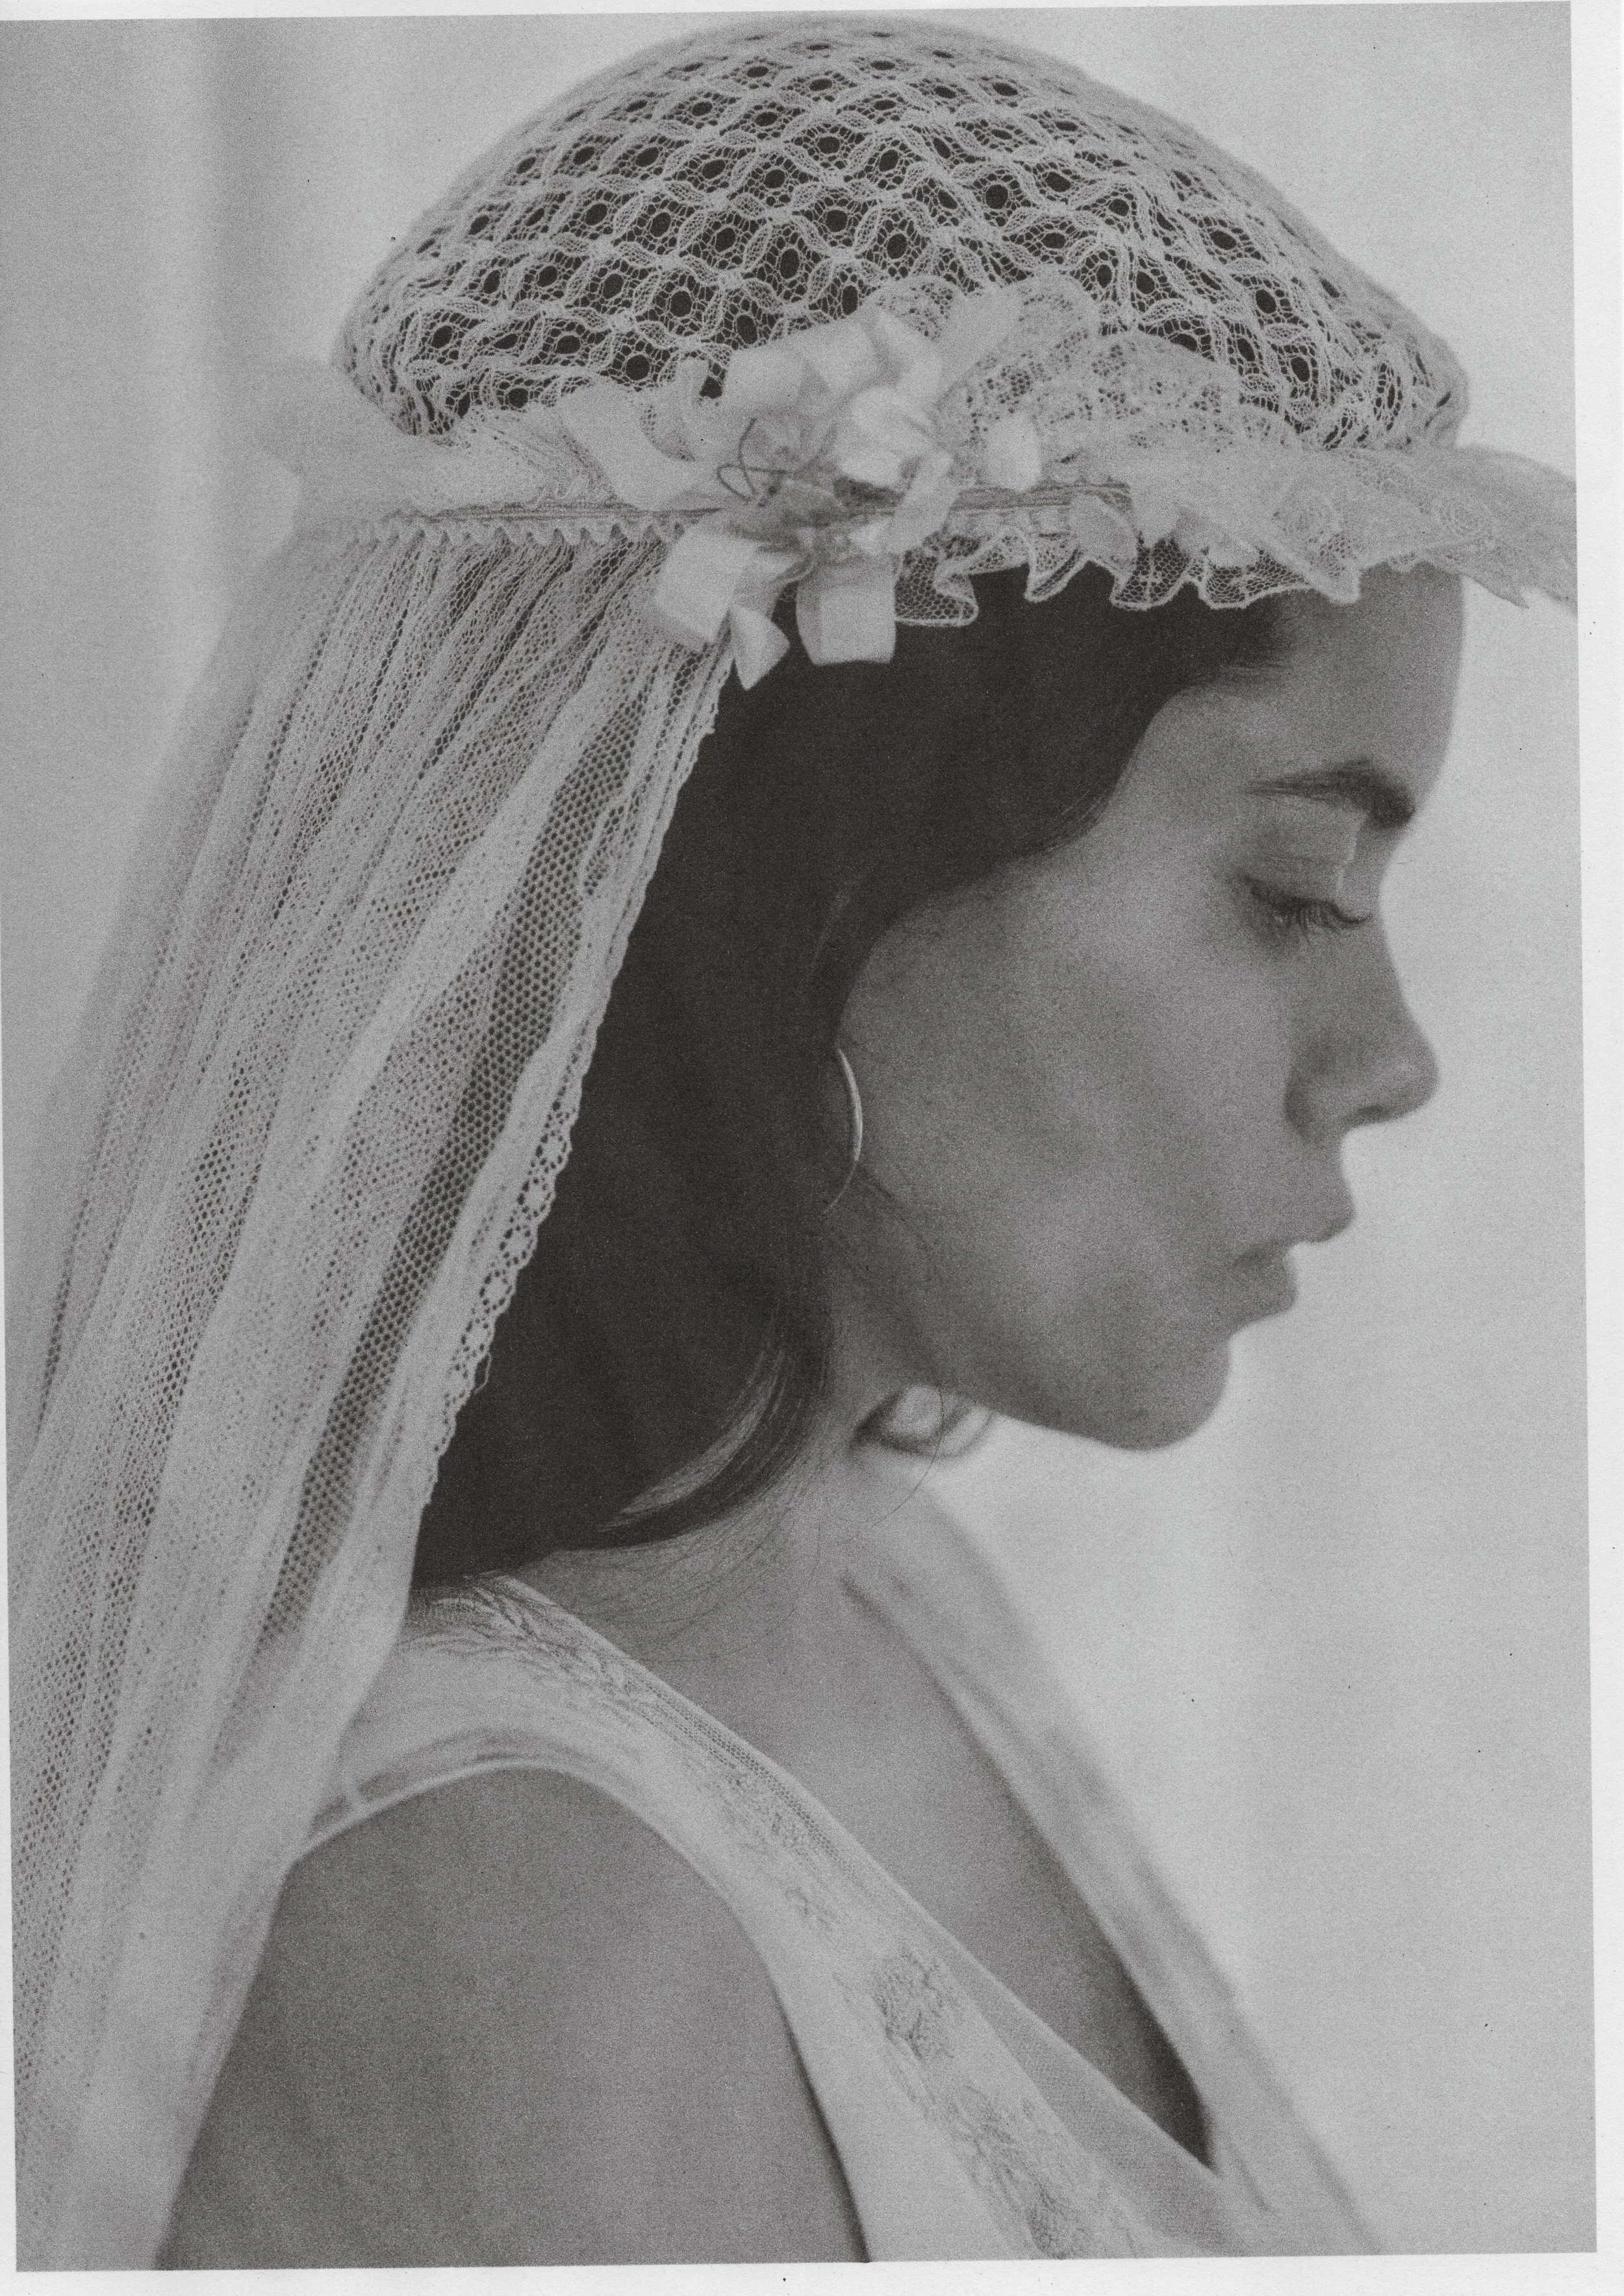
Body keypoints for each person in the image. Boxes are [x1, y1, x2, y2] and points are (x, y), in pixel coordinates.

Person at [7, 16, 1575, 2269]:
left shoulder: (851, 1578)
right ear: (831, 888)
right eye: (1291, 893)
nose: (1391, 1053)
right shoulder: (507, 1906)